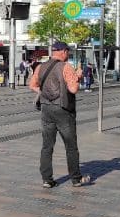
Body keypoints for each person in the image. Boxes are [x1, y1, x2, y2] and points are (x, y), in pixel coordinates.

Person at [29, 42, 90, 189]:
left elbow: (32, 85)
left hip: (46, 110)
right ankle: (76, 179)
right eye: (67, 52)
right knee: (71, 146)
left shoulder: (40, 67)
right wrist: (78, 77)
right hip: (63, 110)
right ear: (63, 51)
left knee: (47, 146)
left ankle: (47, 180)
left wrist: (44, 94)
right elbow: (73, 89)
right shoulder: (66, 67)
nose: (68, 55)